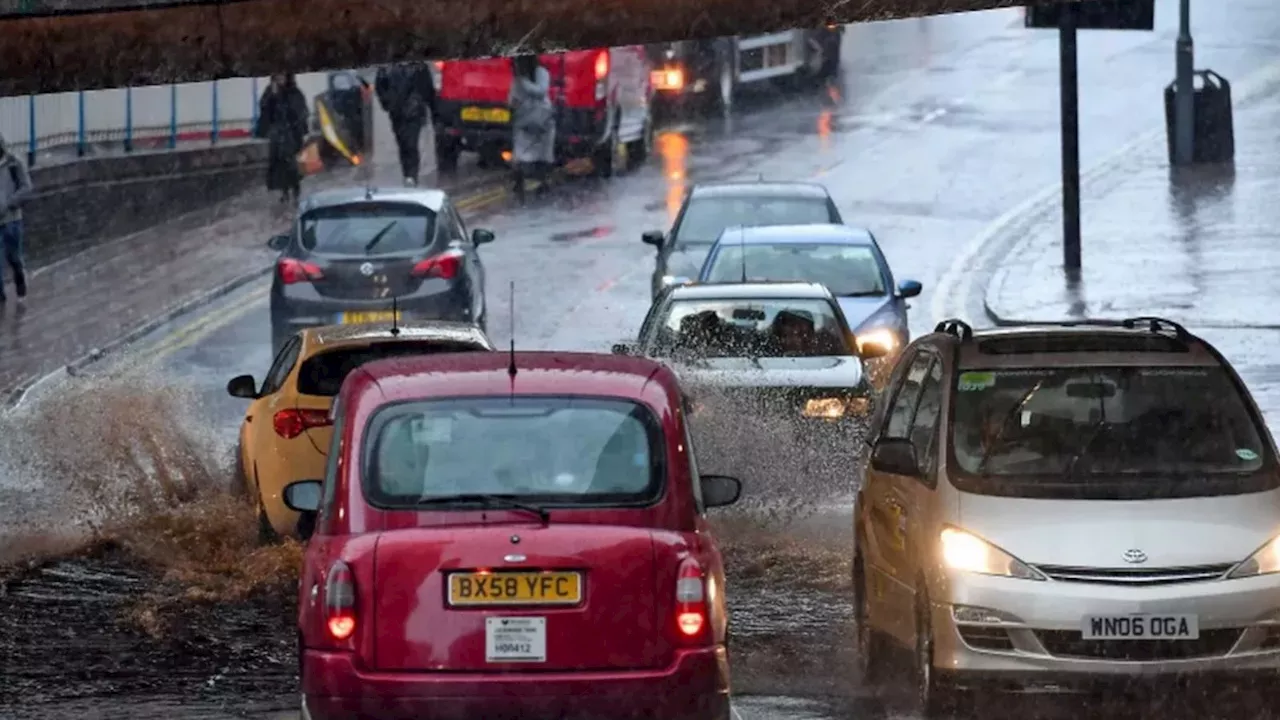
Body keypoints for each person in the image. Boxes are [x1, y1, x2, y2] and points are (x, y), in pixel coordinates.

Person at [375, 62, 436, 186]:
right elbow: (380, 86)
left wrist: (424, 104)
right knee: (402, 143)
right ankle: (407, 173)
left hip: (414, 111)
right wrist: (387, 102)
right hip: (396, 112)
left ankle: (411, 176)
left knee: (411, 143)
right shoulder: (386, 67)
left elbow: (427, 88)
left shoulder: (419, 65)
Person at [508, 54, 556, 204]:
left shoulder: (541, 73)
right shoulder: (518, 80)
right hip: (524, 119)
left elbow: (541, 91)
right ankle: (518, 179)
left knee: (544, 153)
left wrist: (524, 83)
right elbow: (512, 98)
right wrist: (513, 103)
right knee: (519, 152)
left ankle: (544, 180)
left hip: (542, 118)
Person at [256, 74, 309, 204]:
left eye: (282, 76)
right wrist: (273, 96)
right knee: (280, 165)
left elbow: (300, 111)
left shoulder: (294, 92)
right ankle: (284, 192)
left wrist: (299, 128)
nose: (280, 79)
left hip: (292, 134)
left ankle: (296, 192)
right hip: (278, 135)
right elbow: (265, 109)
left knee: (293, 165)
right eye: (277, 77)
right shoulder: (271, 91)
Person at [0, 133, 33, 304]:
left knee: (14, 258)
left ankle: (20, 282)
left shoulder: (14, 163)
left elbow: (26, 188)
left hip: (11, 221)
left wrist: (8, 204)